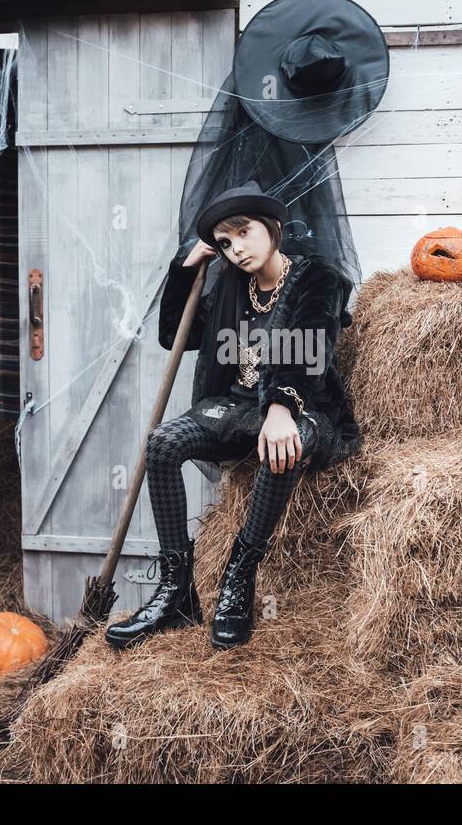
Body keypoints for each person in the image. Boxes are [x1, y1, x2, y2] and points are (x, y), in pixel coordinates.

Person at [105, 182, 359, 651]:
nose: (236, 248)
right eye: (225, 241)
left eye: (243, 232)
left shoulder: (316, 277)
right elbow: (172, 335)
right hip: (238, 408)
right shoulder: (228, 284)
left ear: (273, 229)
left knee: (292, 439)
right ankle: (176, 590)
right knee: (163, 442)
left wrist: (282, 405)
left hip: (306, 404)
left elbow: (310, 341)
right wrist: (187, 269)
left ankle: (239, 574)